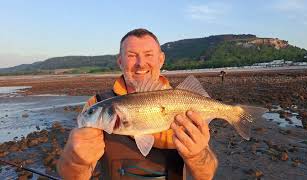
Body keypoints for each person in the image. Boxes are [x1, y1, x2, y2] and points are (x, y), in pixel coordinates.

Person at [57, 28, 218, 180]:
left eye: (148, 54)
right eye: (132, 55)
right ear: (120, 61)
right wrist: (76, 160)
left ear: (161, 59)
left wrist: (197, 155)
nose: (141, 63)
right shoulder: (97, 105)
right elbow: (71, 176)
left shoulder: (184, 102)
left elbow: (205, 175)